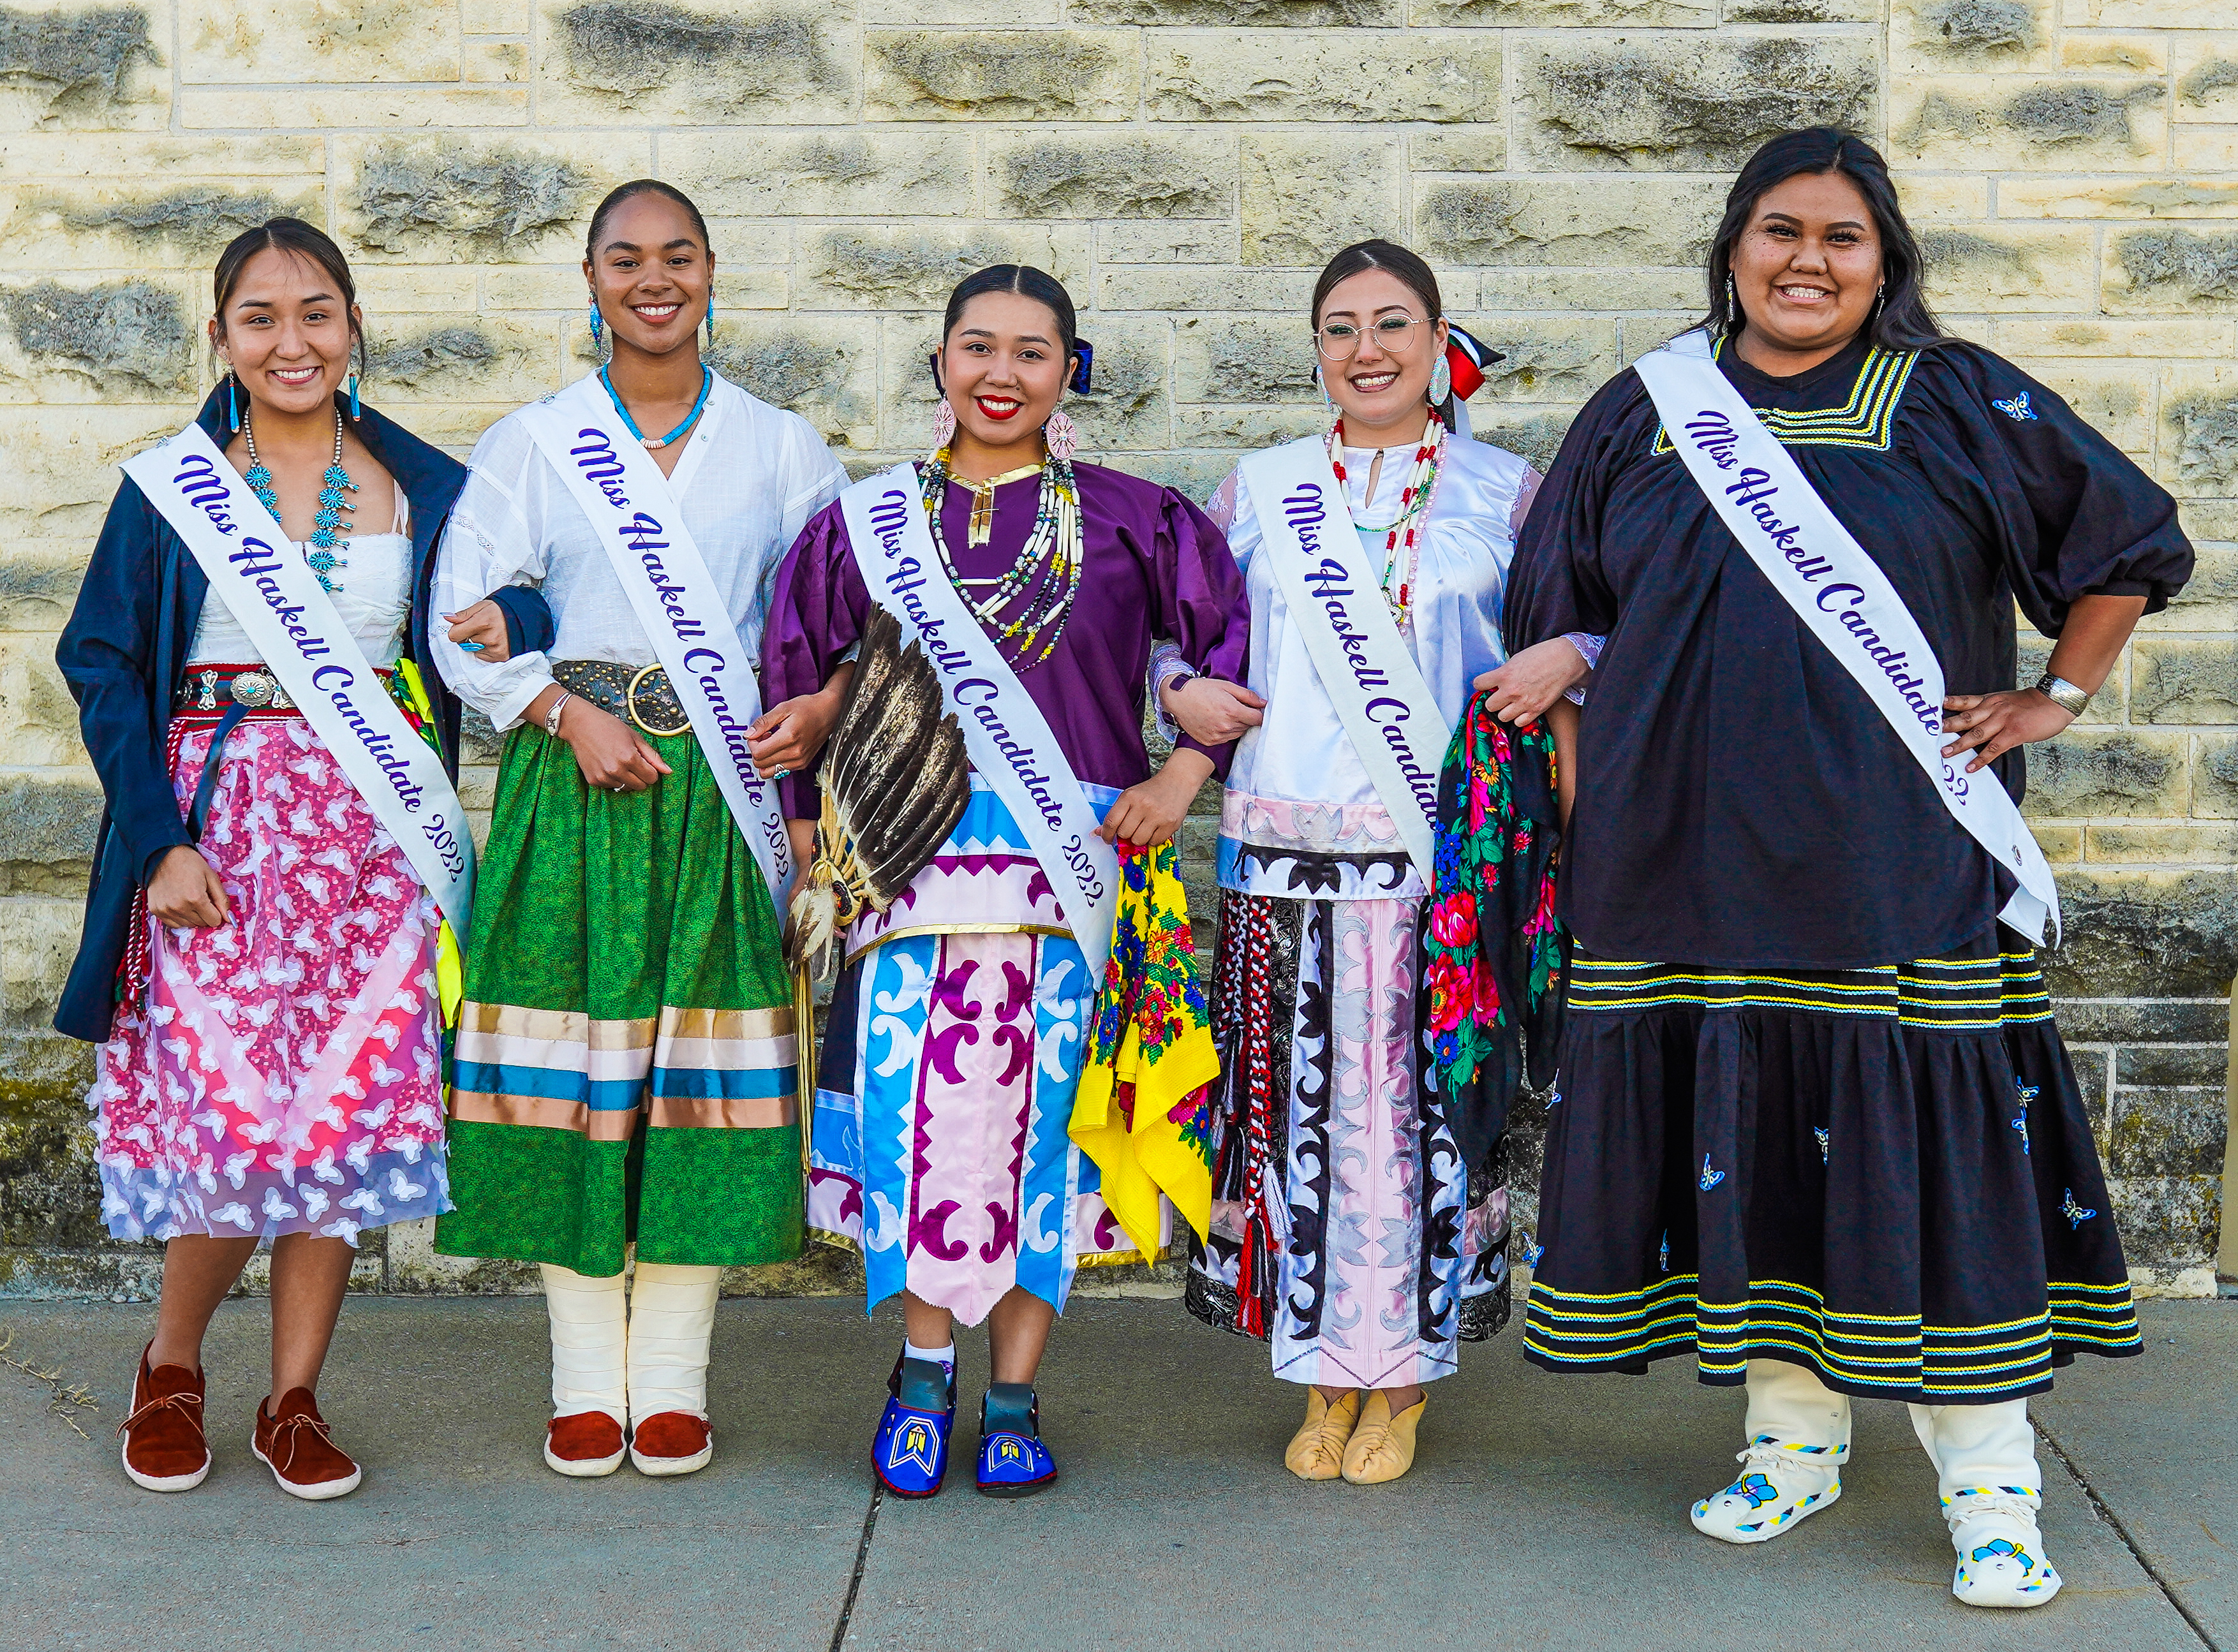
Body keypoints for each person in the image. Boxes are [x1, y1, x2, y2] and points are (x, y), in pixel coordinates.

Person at [1504, 128, 2191, 1607]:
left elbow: (2124, 542)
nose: (1804, 260)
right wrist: (1584, 781)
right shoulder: (1643, 408)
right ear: (1730, 249)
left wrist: (2051, 698)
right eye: (1777, 231)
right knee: (1740, 1137)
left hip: (1894, 860)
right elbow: (1555, 612)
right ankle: (1791, 1440)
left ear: (1883, 263)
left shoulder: (1950, 398)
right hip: (1681, 863)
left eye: (1839, 237)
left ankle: (1990, 1483)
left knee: (1927, 1157)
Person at [56, 217, 528, 1500]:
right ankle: (171, 1366)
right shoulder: (172, 485)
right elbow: (97, 660)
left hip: (371, 853)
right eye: (259, 317)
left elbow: (530, 597)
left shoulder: (428, 483)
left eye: (315, 312)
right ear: (221, 338)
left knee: (335, 1122)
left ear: (353, 326)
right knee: (227, 1126)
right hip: (214, 840)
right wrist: (156, 839)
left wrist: (518, 616)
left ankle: (296, 1396)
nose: (290, 340)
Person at [764, 264, 1250, 1499]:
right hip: (906, 880)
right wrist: (809, 820)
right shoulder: (863, 525)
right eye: (975, 347)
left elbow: (1224, 654)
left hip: (1064, 885)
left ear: (1068, 372)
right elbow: (804, 676)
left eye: (1031, 351)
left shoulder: (1139, 519)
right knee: (913, 1136)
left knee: (1043, 1145)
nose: (1000, 373)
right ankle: (923, 1371)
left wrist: (1186, 762)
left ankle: (1018, 1394)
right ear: (938, 365)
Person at [430, 179, 849, 1480]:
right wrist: (557, 710)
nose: (651, 278)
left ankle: (669, 1382)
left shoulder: (781, 447)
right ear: (593, 278)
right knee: (574, 1080)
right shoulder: (536, 442)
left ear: (712, 270)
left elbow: (847, 620)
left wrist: (822, 707)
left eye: (676, 256)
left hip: (720, 796)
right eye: (625, 258)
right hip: (579, 787)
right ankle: (581, 1381)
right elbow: (461, 619)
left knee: (700, 1092)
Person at [1159, 239, 1592, 1486]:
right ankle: (1317, 1369)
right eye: (1339, 326)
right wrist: (1180, 692)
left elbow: (1588, 624)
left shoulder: (1505, 494)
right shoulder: (1259, 491)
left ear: (1435, 338)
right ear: (1314, 352)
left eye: (1391, 321)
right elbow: (1179, 646)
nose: (1365, 347)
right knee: (1294, 1126)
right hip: (1281, 861)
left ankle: (1396, 1378)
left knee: (1416, 1129)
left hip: (1437, 873)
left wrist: (1568, 657)